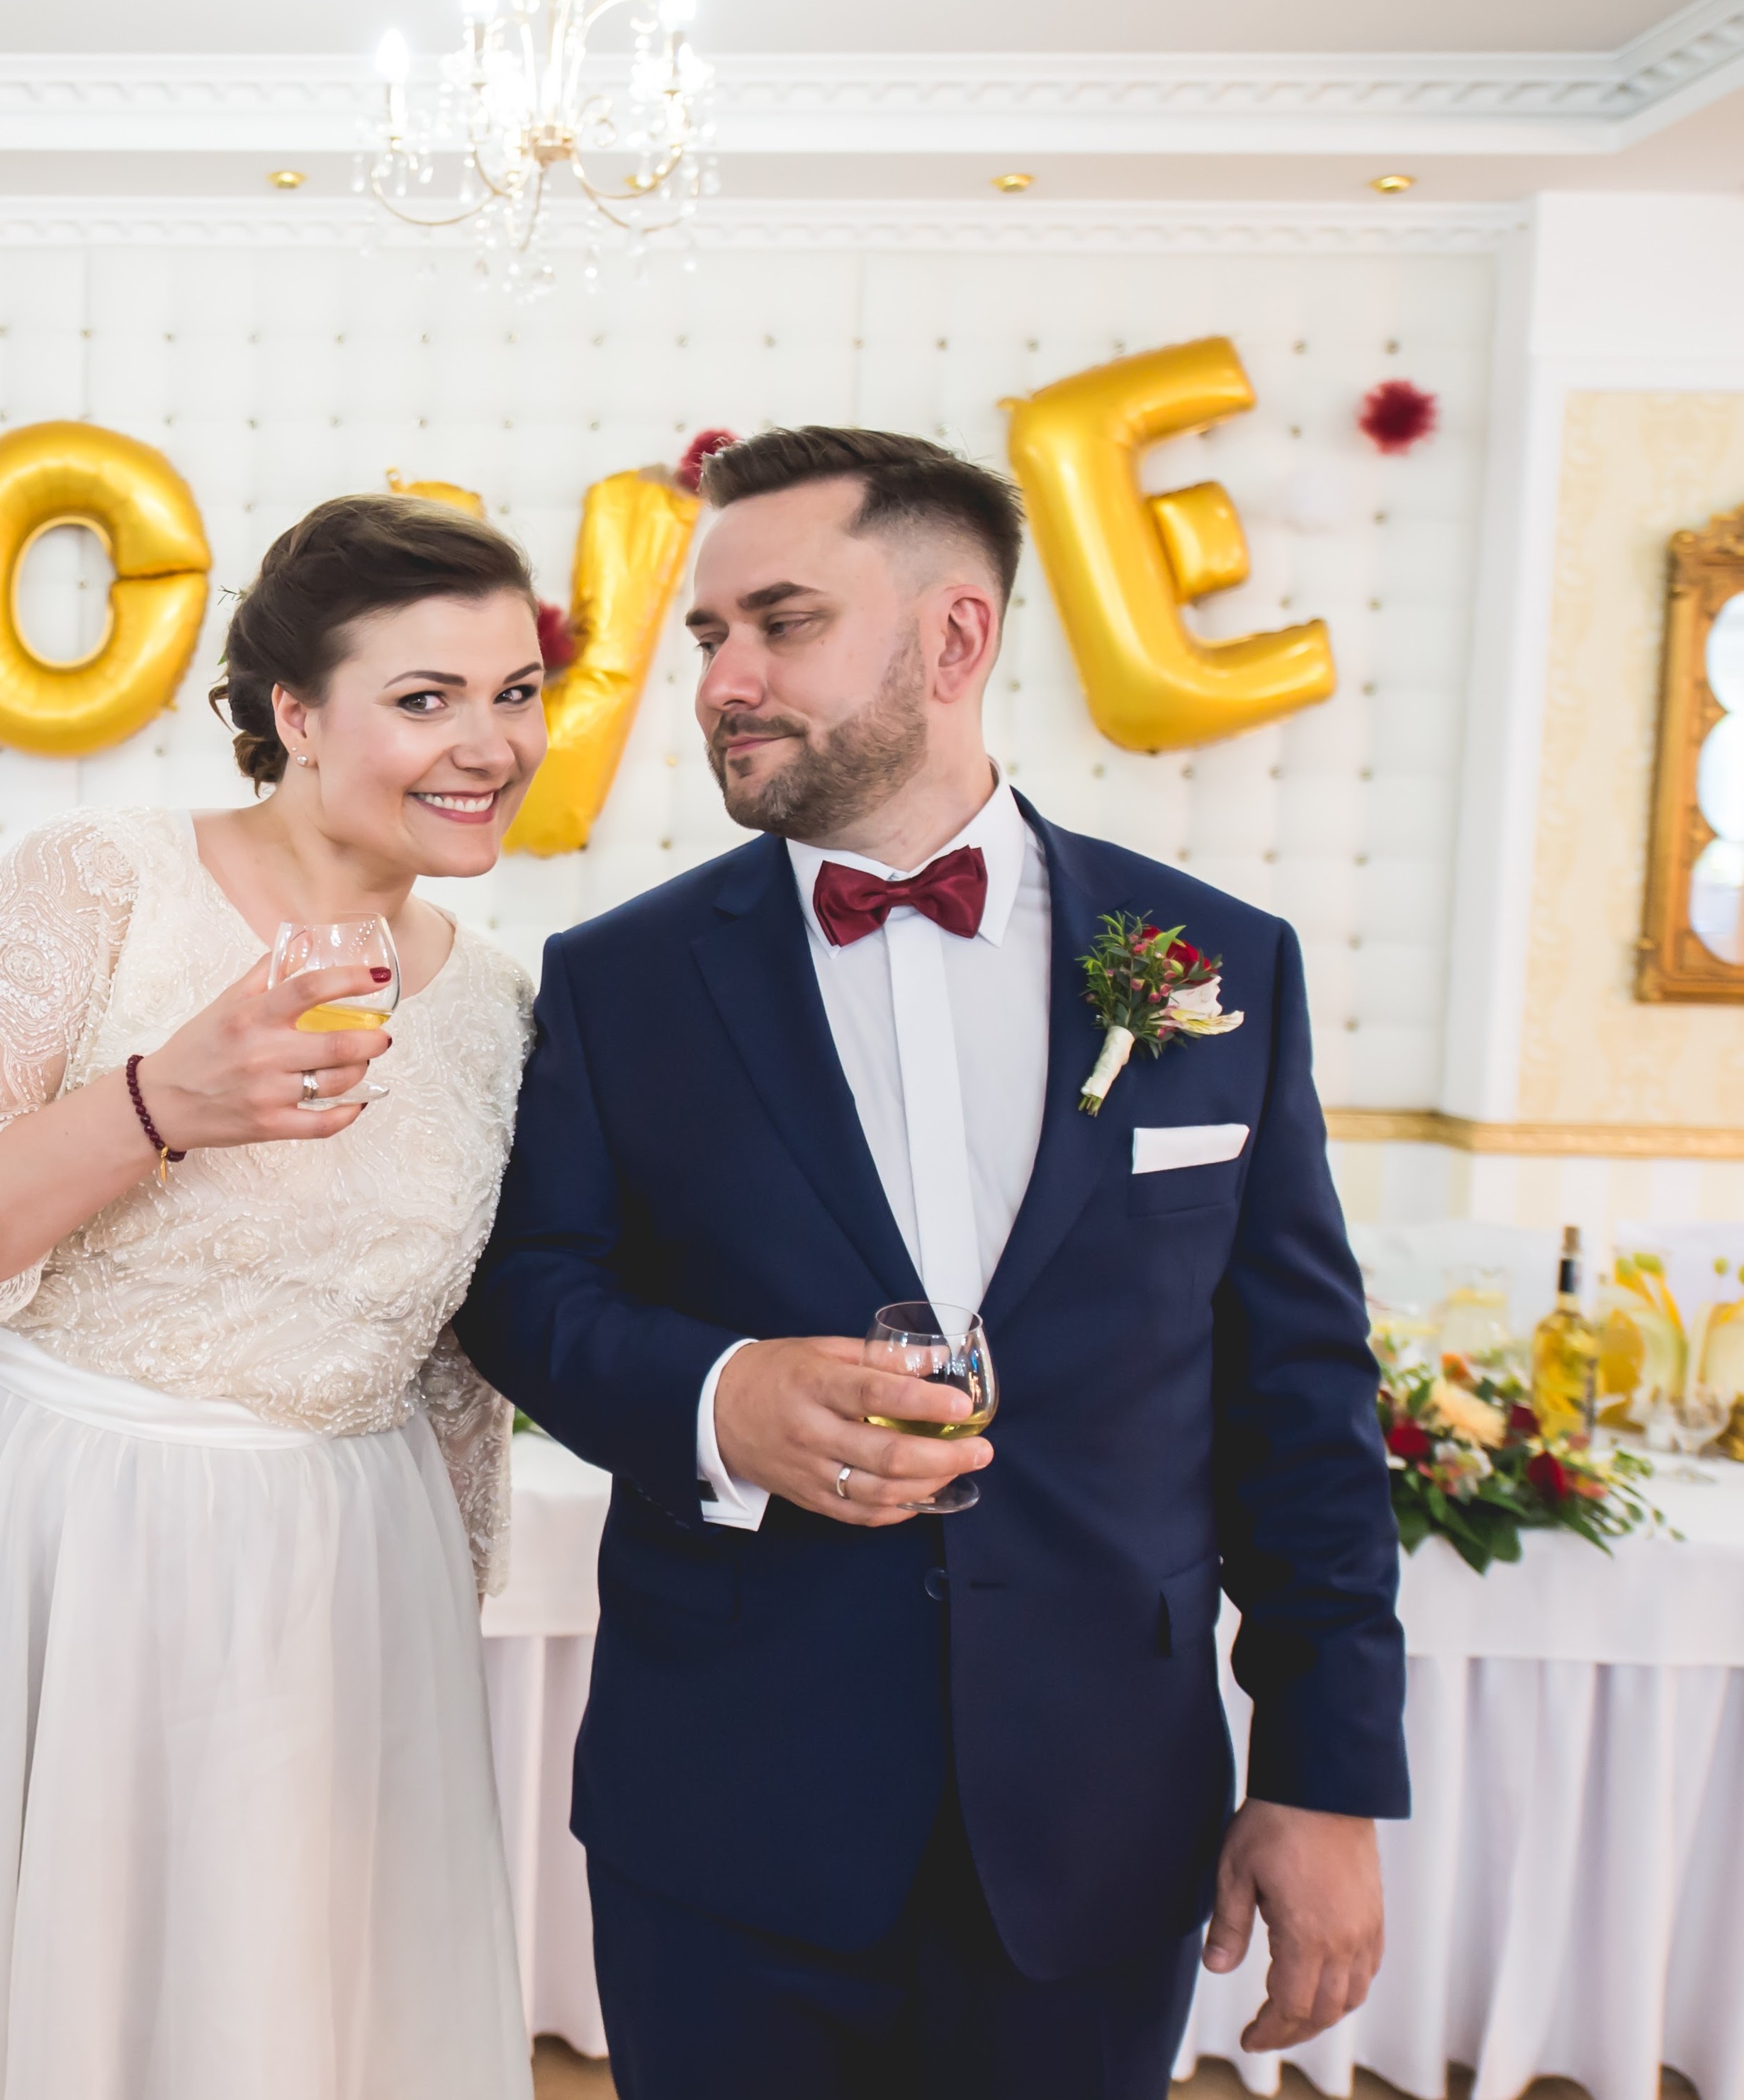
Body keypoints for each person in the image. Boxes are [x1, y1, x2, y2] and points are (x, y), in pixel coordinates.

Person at [457, 427, 1409, 2099]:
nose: (721, 681)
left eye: (781, 623)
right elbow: (528, 1292)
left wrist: (1321, 1776)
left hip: (1100, 1819)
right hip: (732, 1818)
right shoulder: (618, 980)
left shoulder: (1217, 964)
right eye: (708, 636)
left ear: (955, 636)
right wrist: (719, 1397)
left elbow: (1301, 1399)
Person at [0, 495, 549, 2100]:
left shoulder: (497, 1004)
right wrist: (154, 1104)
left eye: (516, 692)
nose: (488, 744)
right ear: (294, 716)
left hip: (337, 1587)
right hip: (40, 1545)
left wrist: (438, 1599)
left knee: (269, 2017)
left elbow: (446, 1361)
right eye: (426, 698)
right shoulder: (102, 883)